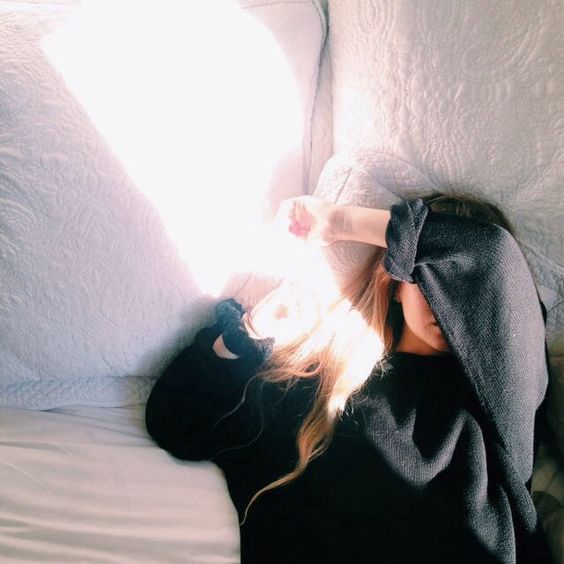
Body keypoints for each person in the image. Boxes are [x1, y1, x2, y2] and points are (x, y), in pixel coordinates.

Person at [145, 194, 551, 563]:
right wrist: (250, 330)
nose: (450, 303)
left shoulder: (499, 401)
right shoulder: (324, 384)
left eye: (467, 290)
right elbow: (177, 423)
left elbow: (492, 255)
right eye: (431, 279)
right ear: (396, 282)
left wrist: (337, 221)